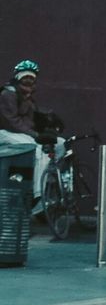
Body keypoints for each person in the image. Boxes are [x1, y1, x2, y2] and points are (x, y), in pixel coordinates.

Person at [0, 59, 53, 211]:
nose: (29, 81)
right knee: (34, 149)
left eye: (32, 78)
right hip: (4, 133)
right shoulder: (8, 94)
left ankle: (45, 192)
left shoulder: (27, 97)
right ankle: (37, 195)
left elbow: (29, 121)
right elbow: (12, 122)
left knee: (50, 148)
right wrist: (35, 134)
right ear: (18, 78)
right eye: (25, 77)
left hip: (17, 133)